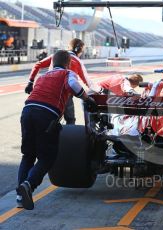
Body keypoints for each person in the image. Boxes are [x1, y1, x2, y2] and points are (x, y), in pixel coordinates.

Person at [16, 50, 97, 210]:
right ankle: (29, 184)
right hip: (46, 115)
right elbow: (74, 86)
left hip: (27, 112)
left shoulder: (43, 76)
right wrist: (88, 99)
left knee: (28, 155)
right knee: (47, 157)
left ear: (52, 63)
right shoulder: (68, 73)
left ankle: (20, 197)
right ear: (68, 63)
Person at [24, 38, 102, 124]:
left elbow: (37, 65)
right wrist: (99, 91)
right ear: (78, 50)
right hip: (65, 94)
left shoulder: (56, 55)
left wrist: (30, 82)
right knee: (70, 120)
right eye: (82, 51)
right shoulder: (77, 62)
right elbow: (86, 83)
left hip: (42, 95)